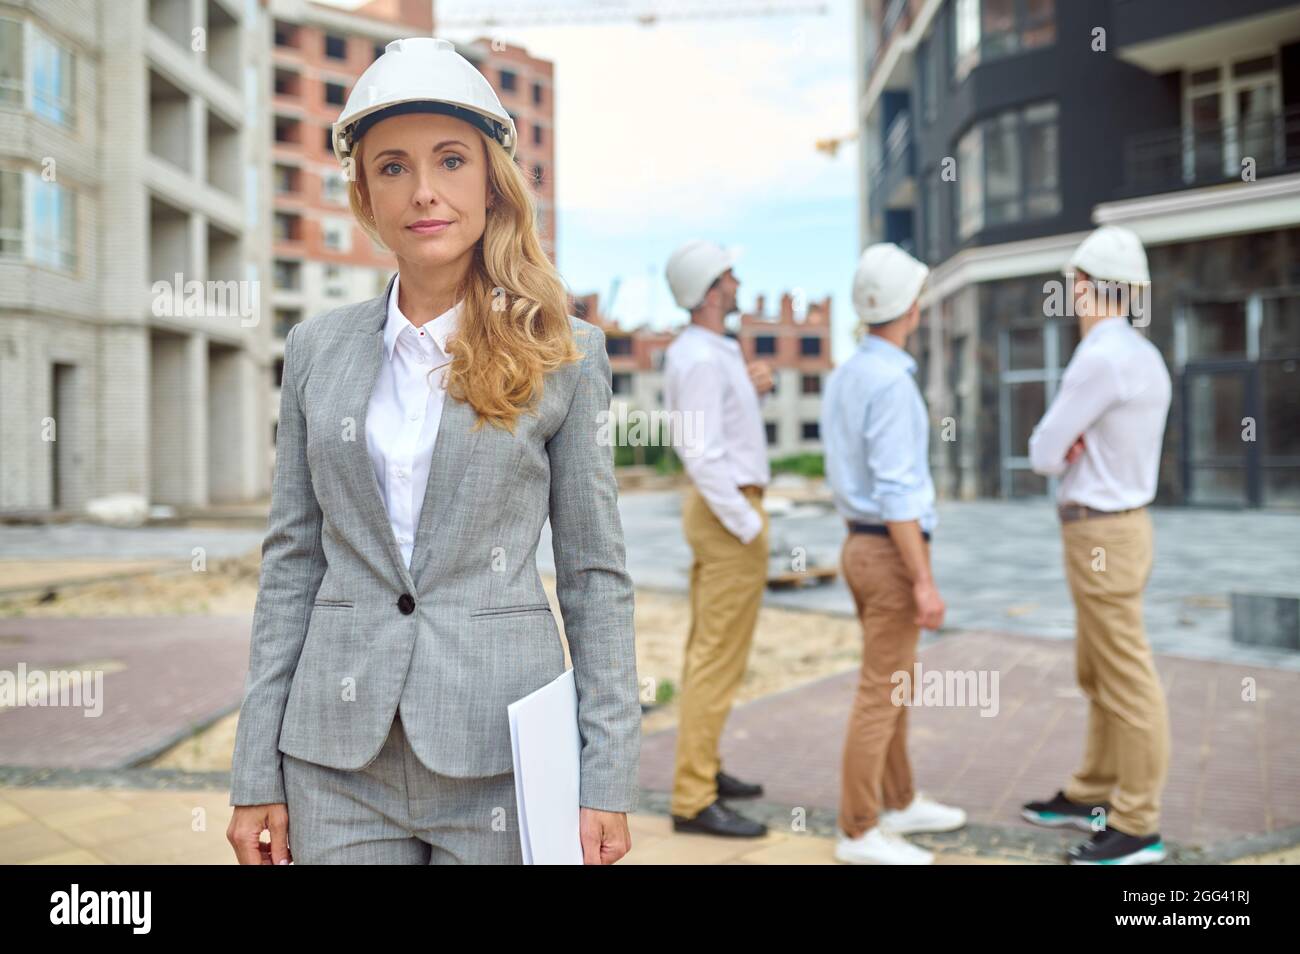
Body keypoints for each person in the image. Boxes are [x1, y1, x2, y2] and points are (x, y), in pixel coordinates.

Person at [225, 37, 639, 865]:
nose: (423, 192)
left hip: (501, 756)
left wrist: (607, 776)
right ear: (364, 195)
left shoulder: (566, 353)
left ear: (491, 181)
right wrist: (252, 769)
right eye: (392, 168)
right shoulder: (314, 349)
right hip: (335, 763)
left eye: (451, 161)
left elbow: (595, 576)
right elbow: (291, 563)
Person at [1022, 225, 1172, 866]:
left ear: (1084, 287)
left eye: (1072, 283)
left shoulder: (1101, 356)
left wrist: (1064, 448)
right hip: (1120, 527)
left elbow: (1041, 451)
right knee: (1100, 669)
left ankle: (1137, 825)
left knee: (1125, 676)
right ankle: (1093, 793)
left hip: (1100, 532)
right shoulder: (1142, 354)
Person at [821, 243, 966, 865]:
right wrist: (924, 581)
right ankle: (857, 830)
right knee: (882, 691)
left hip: (858, 543)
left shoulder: (849, 374)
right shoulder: (894, 384)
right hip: (887, 549)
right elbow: (899, 493)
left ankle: (900, 799)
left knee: (893, 682)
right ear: (910, 306)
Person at [661, 239, 774, 838]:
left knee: (710, 649)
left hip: (726, 510)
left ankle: (703, 768)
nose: (737, 282)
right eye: (728, 276)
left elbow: (719, 429)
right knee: (716, 658)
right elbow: (700, 452)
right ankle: (693, 798)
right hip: (729, 514)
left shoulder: (715, 351)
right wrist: (748, 523)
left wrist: (756, 387)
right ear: (708, 291)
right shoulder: (700, 358)